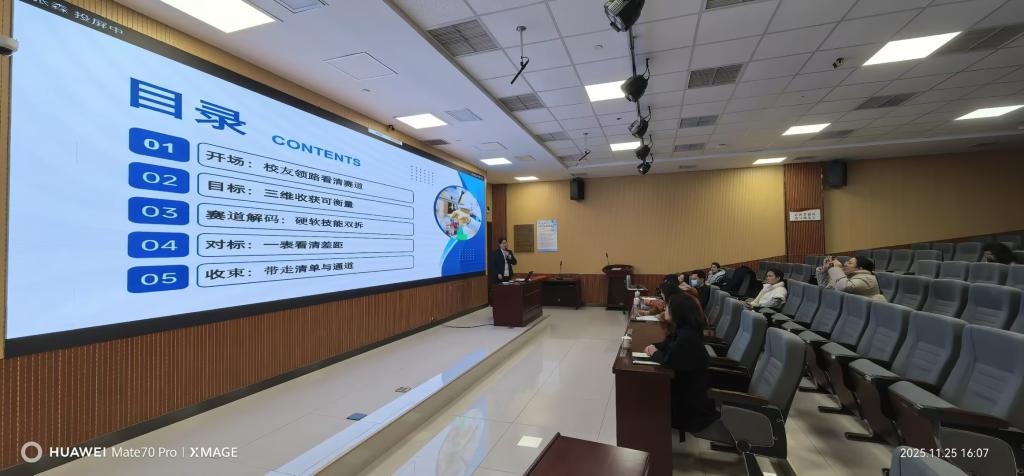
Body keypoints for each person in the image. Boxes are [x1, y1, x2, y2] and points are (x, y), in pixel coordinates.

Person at [643, 293, 720, 437]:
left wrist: (654, 353)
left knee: (648, 395)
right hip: (686, 391)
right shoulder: (685, 330)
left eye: (668, 307)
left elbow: (669, 361)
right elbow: (669, 346)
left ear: (677, 312)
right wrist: (656, 346)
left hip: (689, 405)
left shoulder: (687, 338)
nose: (665, 309)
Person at [816, 255, 887, 302]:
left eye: (849, 263)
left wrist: (835, 268)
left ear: (860, 268)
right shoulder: (848, 276)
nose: (845, 264)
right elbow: (826, 287)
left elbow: (843, 287)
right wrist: (824, 269)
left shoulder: (868, 279)